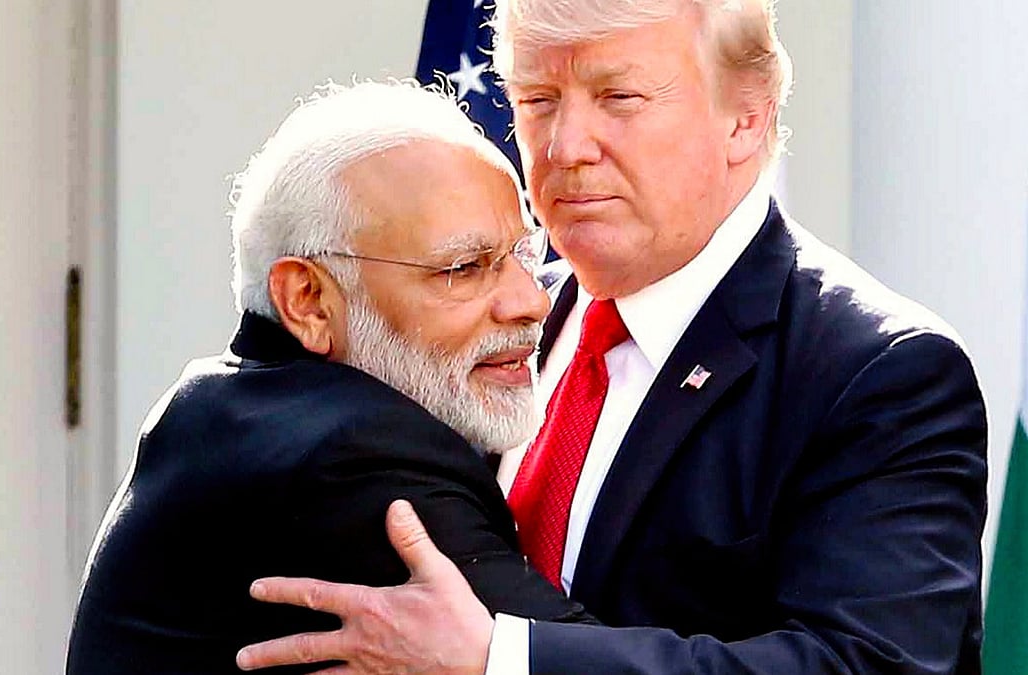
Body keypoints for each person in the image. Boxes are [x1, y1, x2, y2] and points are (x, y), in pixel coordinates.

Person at [235, 1, 988, 673]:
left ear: (746, 118)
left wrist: (503, 659)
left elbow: (868, 663)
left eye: (618, 98)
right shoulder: (479, 311)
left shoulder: (878, 373)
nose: (565, 147)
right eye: (538, 100)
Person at [64, 81, 595, 675]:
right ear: (308, 300)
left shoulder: (225, 408)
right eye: (464, 268)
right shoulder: (355, 457)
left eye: (523, 256)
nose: (532, 301)